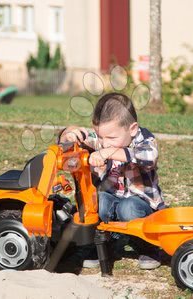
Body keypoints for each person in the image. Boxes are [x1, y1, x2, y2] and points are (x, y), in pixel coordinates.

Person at [58, 92, 165, 270]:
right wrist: (69, 134)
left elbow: (149, 156)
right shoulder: (105, 137)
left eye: (111, 139)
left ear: (132, 129)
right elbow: (80, 136)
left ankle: (147, 245)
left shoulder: (144, 139)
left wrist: (109, 153)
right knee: (95, 202)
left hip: (141, 205)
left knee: (128, 208)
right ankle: (101, 243)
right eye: (101, 137)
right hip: (111, 198)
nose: (104, 143)